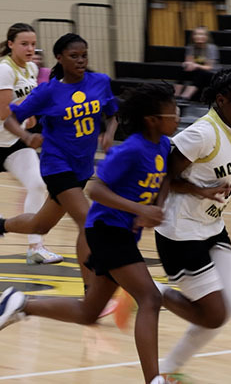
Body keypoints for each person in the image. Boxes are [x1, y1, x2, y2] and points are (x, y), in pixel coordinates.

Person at [0, 83, 178, 384]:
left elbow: (166, 178)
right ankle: (154, 380)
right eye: (172, 112)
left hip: (122, 232)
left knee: (88, 313)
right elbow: (96, 189)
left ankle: (19, 303)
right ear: (152, 119)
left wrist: (156, 207)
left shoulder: (162, 145)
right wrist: (139, 209)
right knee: (149, 298)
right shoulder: (131, 149)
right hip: (106, 231)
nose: (177, 117)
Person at [143, 69, 231, 381]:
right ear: (221, 100)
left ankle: (169, 370)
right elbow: (163, 176)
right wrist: (198, 190)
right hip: (180, 232)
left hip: (212, 227)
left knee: (227, 309)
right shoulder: (202, 134)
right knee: (214, 316)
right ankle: (144, 289)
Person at [0, 33, 119, 288]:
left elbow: (113, 114)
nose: (80, 60)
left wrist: (108, 134)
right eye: (74, 56)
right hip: (57, 165)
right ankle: (91, 290)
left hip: (83, 167)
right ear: (59, 58)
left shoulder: (100, 82)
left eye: (84, 55)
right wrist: (26, 136)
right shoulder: (49, 91)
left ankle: (1, 225)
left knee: (40, 224)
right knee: (87, 221)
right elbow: (10, 118)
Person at [0, 23, 63, 264]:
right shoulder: (4, 70)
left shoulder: (31, 69)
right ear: (10, 44)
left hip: (14, 142)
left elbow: (30, 108)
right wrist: (27, 120)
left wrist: (34, 118)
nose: (30, 49)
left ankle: (35, 247)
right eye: (24, 44)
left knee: (37, 184)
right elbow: (4, 113)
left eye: (33, 44)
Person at [174, 26, 219, 101]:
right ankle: (176, 94)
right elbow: (189, 62)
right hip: (197, 71)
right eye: (196, 34)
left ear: (206, 37)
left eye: (202, 34)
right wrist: (187, 64)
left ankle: (186, 96)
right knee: (183, 69)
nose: (199, 36)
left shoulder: (211, 48)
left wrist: (196, 65)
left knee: (201, 73)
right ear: (193, 36)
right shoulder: (191, 47)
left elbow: (209, 67)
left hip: (211, 74)